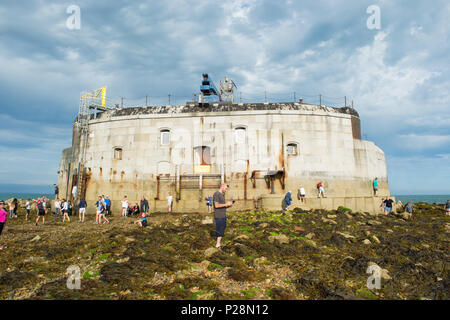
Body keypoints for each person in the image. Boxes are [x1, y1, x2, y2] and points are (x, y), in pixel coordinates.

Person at [213, 184, 233, 249]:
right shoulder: (216, 194)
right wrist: (226, 204)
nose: (226, 190)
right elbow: (216, 205)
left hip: (223, 215)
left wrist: (227, 205)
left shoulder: (222, 195)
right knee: (220, 229)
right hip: (219, 215)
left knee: (222, 228)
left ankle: (218, 243)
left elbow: (222, 206)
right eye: (226, 188)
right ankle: (217, 244)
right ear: (222, 186)